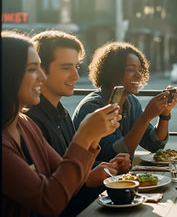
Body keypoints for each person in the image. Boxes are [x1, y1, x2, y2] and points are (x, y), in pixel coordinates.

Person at [1, 31, 121, 216]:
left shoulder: (24, 123)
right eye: (33, 69)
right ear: (7, 74)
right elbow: (48, 201)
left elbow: (69, 178)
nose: (42, 77)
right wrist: (85, 135)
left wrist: (94, 136)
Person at [72, 42, 177, 162]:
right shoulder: (93, 107)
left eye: (140, 70)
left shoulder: (132, 102)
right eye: (131, 69)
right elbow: (112, 156)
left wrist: (164, 114)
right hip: (98, 179)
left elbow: (155, 145)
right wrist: (146, 117)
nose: (138, 75)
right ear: (113, 72)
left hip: (120, 178)